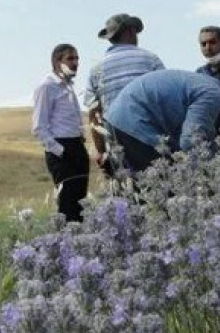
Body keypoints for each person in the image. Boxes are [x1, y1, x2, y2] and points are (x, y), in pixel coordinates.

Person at [104, 67, 220, 175]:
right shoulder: (213, 95)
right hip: (135, 124)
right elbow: (192, 141)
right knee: (163, 191)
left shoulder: (208, 86)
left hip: (119, 119)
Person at [83, 13, 165, 175]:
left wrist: (101, 152)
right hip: (151, 141)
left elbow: (94, 114)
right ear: (129, 32)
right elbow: (165, 100)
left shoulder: (97, 70)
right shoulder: (151, 60)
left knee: (123, 196)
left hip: (115, 144)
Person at [31, 43, 89, 223]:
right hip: (61, 150)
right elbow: (39, 127)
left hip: (77, 146)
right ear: (57, 62)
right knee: (67, 203)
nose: (76, 62)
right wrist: (61, 151)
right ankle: (65, 244)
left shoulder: (68, 86)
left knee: (81, 201)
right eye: (70, 58)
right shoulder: (47, 86)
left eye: (77, 58)